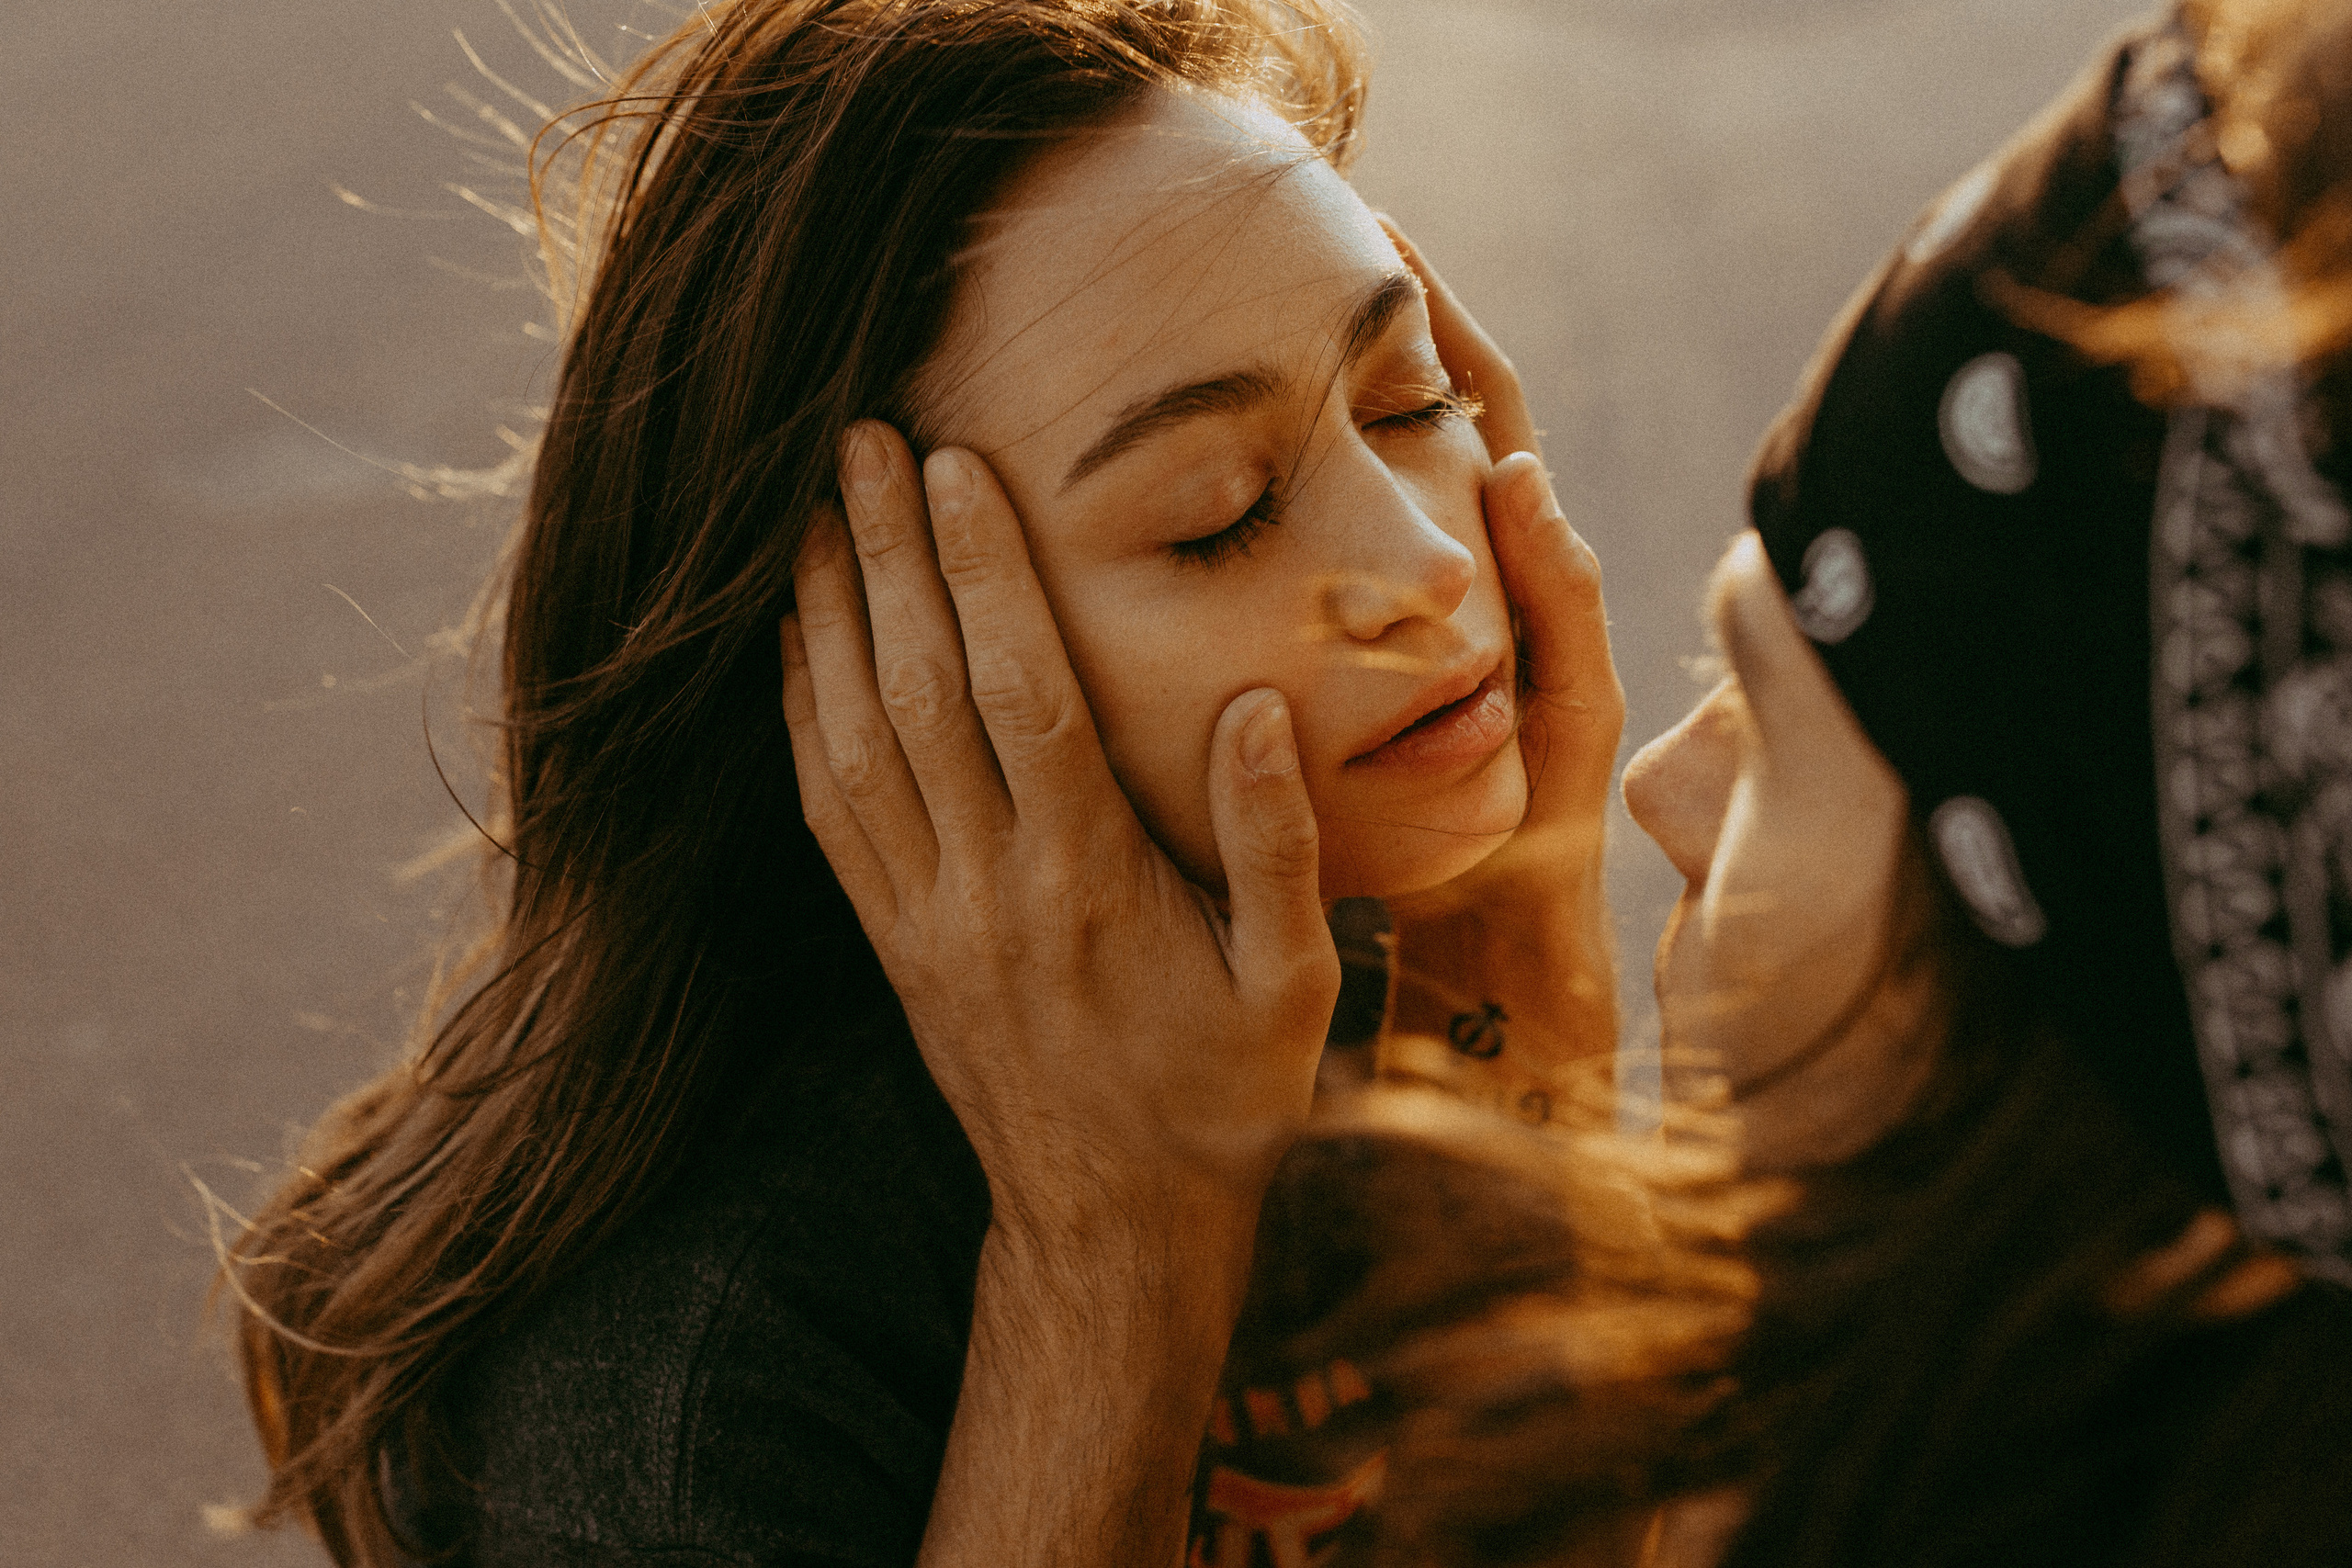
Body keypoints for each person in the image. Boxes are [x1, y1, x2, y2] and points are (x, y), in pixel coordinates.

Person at [219, 3, 1633, 1564]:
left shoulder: (1353, 929)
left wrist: (1516, 953)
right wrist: (1109, 1257)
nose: (1429, 564)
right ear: (887, 667)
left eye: (1409, 401)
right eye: (1218, 514)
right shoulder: (701, 1378)